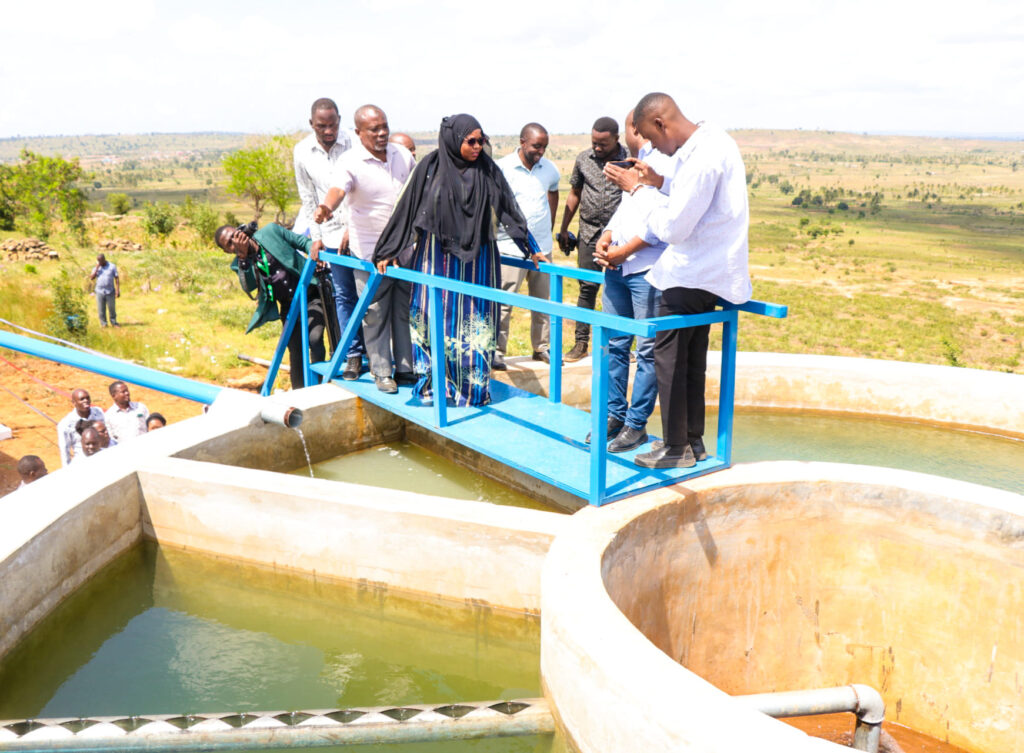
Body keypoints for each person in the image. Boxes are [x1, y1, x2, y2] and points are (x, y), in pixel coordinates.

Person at [606, 92, 752, 469]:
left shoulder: (701, 157)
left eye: (653, 140)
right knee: (690, 361)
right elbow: (693, 197)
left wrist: (638, 189)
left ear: (660, 123)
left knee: (669, 360)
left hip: (690, 272)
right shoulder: (713, 142)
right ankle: (692, 442)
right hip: (708, 273)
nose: (656, 147)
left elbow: (674, 227)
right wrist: (661, 181)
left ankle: (675, 448)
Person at [373, 113, 544, 407]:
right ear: (454, 140)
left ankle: (472, 391)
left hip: (478, 259)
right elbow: (408, 208)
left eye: (482, 141)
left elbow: (508, 209)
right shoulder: (431, 166)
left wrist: (530, 247)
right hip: (435, 256)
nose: (478, 147)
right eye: (471, 141)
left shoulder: (487, 169)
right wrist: (388, 249)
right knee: (431, 318)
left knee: (474, 324)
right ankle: (433, 387)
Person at [314, 105, 415, 394]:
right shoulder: (350, 161)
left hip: (404, 250)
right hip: (370, 253)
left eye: (384, 126)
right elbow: (337, 190)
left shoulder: (402, 155)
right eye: (374, 129)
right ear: (359, 133)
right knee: (375, 313)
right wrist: (326, 208)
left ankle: (405, 369)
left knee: (402, 311)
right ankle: (382, 371)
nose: (382, 133)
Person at [589, 109, 671, 453]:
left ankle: (636, 424)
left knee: (647, 350)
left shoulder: (666, 165)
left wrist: (627, 251)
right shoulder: (636, 161)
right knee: (615, 344)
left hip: (645, 271)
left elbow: (663, 221)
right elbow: (627, 209)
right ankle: (614, 416)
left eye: (630, 127)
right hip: (618, 270)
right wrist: (607, 237)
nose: (630, 133)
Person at [293, 97, 365, 380]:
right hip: (331, 234)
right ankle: (353, 355)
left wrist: (354, 227)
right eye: (321, 126)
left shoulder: (353, 143)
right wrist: (317, 236)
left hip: (359, 230)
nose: (328, 131)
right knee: (343, 296)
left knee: (368, 295)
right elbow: (308, 197)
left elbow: (362, 188)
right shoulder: (302, 152)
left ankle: (376, 356)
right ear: (312, 124)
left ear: (339, 120)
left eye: (332, 124)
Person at [215, 222, 327, 390]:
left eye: (234, 235)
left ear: (240, 231)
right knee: (295, 350)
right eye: (230, 243)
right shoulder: (239, 263)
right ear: (227, 250)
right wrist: (243, 257)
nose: (235, 241)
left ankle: (320, 386)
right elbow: (249, 286)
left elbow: (303, 243)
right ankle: (299, 394)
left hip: (310, 294)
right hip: (289, 306)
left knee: (315, 338)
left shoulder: (270, 232)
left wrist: (316, 254)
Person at [557, 117, 627, 362]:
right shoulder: (583, 159)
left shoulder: (629, 161)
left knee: (620, 290)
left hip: (620, 237)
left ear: (616, 139)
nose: (598, 148)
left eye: (603, 144)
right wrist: (565, 228)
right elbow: (575, 192)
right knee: (587, 289)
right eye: (594, 143)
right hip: (588, 234)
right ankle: (580, 344)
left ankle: (621, 348)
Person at [493, 122, 558, 368]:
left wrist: (548, 228)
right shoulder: (503, 168)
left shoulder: (550, 169)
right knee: (503, 302)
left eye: (544, 147)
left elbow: (553, 192)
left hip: (542, 247)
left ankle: (541, 348)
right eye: (536, 146)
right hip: (509, 248)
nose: (540, 151)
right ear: (522, 141)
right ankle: (496, 350)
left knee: (543, 302)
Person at [57, 388, 105, 466]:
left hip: (102, 456)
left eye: (87, 398)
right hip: (83, 462)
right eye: (82, 399)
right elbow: (65, 450)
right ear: (74, 402)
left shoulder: (98, 412)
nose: (86, 401)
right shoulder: (65, 424)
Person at [90, 253, 120, 327]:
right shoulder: (96, 267)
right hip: (99, 291)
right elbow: (91, 278)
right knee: (101, 309)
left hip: (110, 291)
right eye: (98, 261)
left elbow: (116, 278)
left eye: (101, 261)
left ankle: (114, 322)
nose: (100, 263)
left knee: (111, 308)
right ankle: (103, 323)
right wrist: (97, 268)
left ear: (104, 259)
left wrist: (117, 290)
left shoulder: (112, 266)